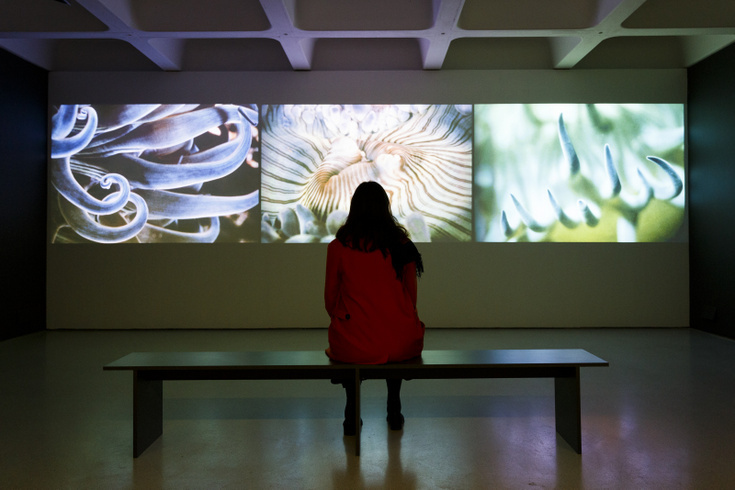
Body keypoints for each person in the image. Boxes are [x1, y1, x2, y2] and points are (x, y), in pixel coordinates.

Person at [324, 181, 425, 436]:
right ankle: (394, 406)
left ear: (353, 209)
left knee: (352, 338)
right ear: (385, 208)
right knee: (393, 334)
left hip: (354, 342)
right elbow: (411, 300)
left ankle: (351, 412)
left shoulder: (338, 247)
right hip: (399, 341)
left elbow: (330, 300)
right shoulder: (402, 245)